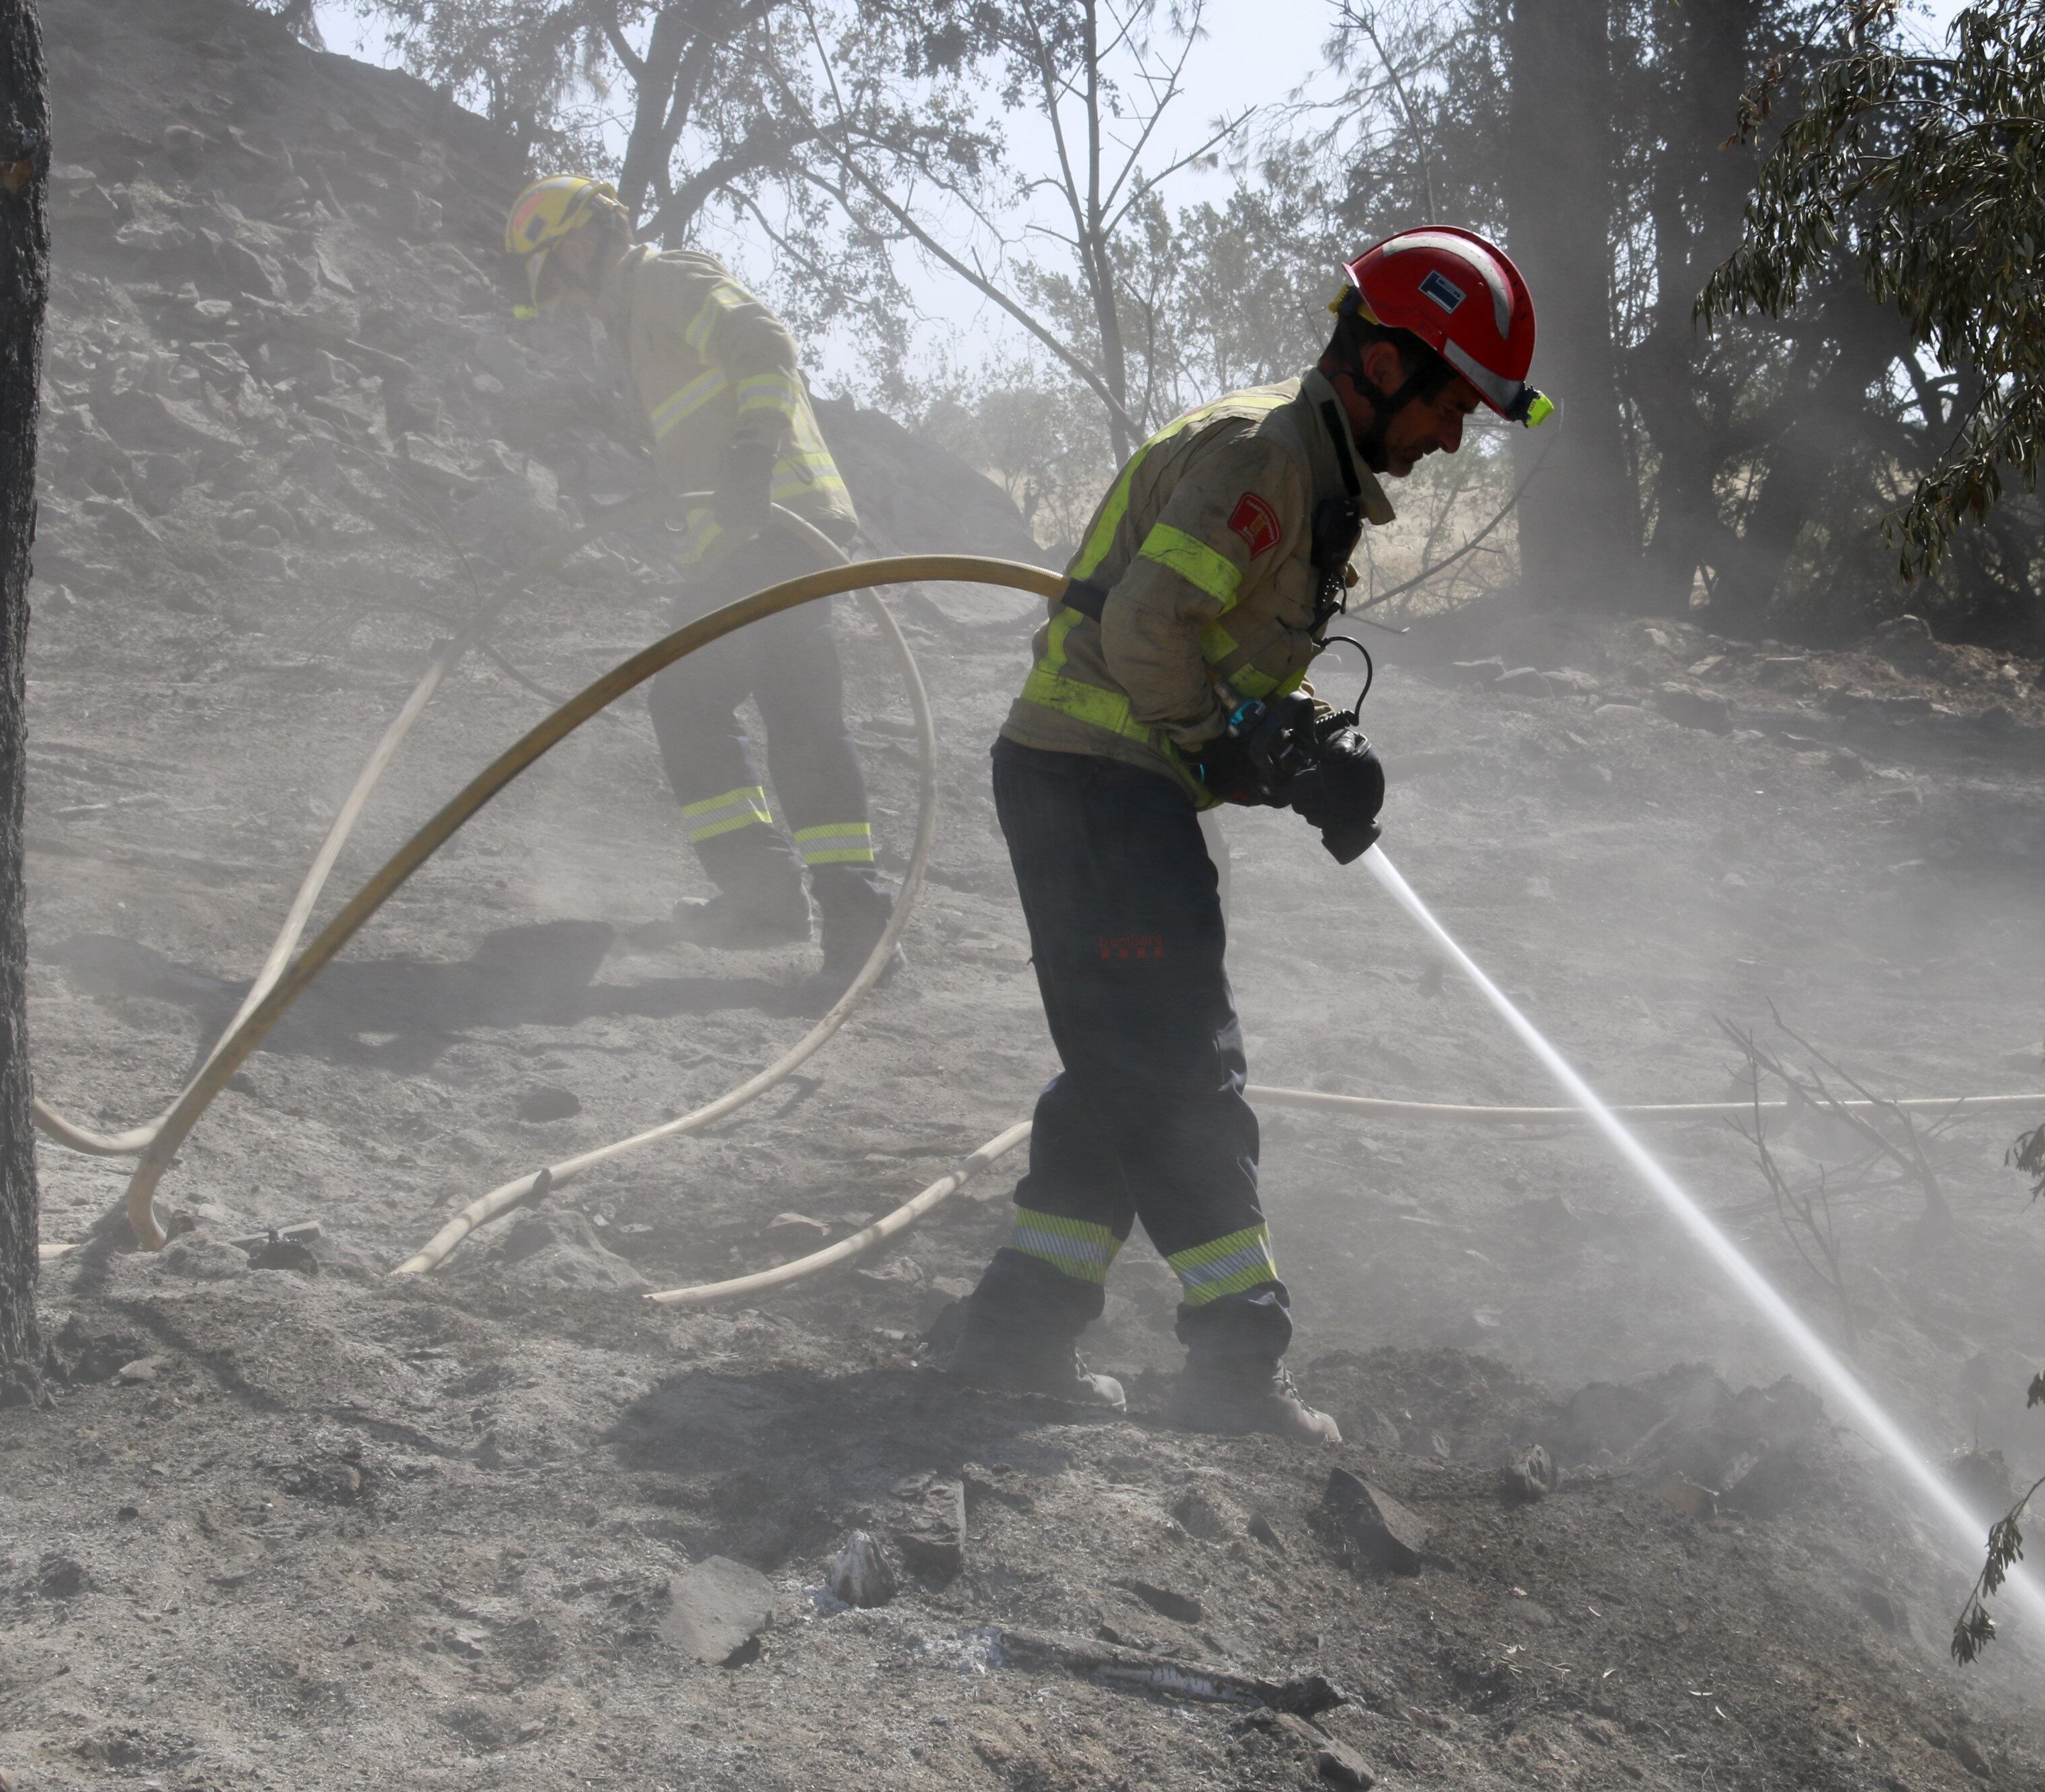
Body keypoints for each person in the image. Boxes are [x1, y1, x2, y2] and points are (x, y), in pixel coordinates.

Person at [941, 228, 1552, 1442]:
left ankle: (1015, 1326)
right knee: (1177, 1064)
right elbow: (1147, 637)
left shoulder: (1305, 465)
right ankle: (1234, 1358)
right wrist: (1230, 740)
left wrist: (1305, 738)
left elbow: (1215, 640)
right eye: (1448, 405)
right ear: (1384, 365)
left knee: (1125, 1055)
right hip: (1097, 780)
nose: (1448, 441)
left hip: (1115, 782)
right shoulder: (1267, 456)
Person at [503, 176, 893, 994]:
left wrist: (753, 453)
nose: (561, 302)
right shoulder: (637, 331)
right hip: (750, 541)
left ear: (578, 243)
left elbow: (765, 341)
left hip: (777, 529)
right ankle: (827, 916)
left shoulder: (666, 281)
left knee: (705, 703)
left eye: (552, 279)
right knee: (789, 712)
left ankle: (780, 900)